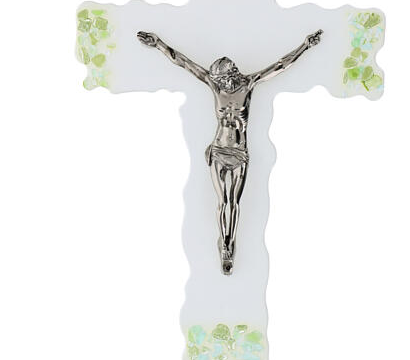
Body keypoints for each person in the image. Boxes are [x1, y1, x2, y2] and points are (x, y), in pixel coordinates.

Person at [137, 29, 323, 275]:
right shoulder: (215, 85)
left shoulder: (249, 83)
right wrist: (159, 44)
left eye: (224, 78)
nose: (222, 83)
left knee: (234, 202)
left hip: (239, 153)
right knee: (222, 201)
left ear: (232, 73)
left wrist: (306, 45)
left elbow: (281, 65)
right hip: (218, 150)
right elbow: (183, 62)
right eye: (219, 80)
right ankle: (225, 247)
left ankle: (230, 241)